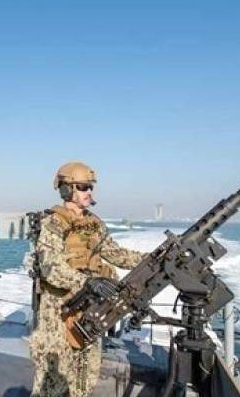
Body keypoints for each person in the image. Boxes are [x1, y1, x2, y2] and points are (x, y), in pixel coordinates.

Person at [29, 161, 145, 397]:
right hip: (59, 311)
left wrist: (150, 258)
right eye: (82, 187)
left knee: (86, 376)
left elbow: (115, 253)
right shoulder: (53, 223)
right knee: (53, 381)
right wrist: (87, 282)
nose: (89, 191)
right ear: (66, 189)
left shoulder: (94, 223)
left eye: (90, 187)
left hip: (89, 309)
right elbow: (51, 267)